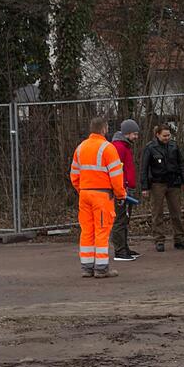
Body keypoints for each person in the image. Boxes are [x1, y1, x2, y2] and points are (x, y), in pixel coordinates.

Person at [70, 116, 127, 278]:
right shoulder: (108, 148)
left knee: (87, 231)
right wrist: (120, 194)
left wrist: (82, 189)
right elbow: (116, 176)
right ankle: (101, 268)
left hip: (85, 194)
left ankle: (87, 267)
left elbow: (74, 175)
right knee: (102, 231)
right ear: (104, 129)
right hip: (102, 195)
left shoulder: (80, 148)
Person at [140, 124, 184, 252]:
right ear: (157, 135)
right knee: (157, 212)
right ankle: (159, 240)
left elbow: (181, 163)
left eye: (168, 135)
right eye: (164, 135)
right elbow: (144, 168)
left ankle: (179, 239)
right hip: (157, 183)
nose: (167, 138)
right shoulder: (150, 148)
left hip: (173, 182)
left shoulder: (174, 146)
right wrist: (144, 187)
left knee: (176, 212)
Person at [110, 119, 141, 261]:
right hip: (121, 189)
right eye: (134, 134)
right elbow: (116, 170)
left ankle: (124, 247)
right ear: (127, 133)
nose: (136, 137)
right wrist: (122, 187)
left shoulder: (124, 146)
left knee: (125, 219)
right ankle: (120, 250)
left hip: (125, 188)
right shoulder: (119, 147)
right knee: (120, 220)